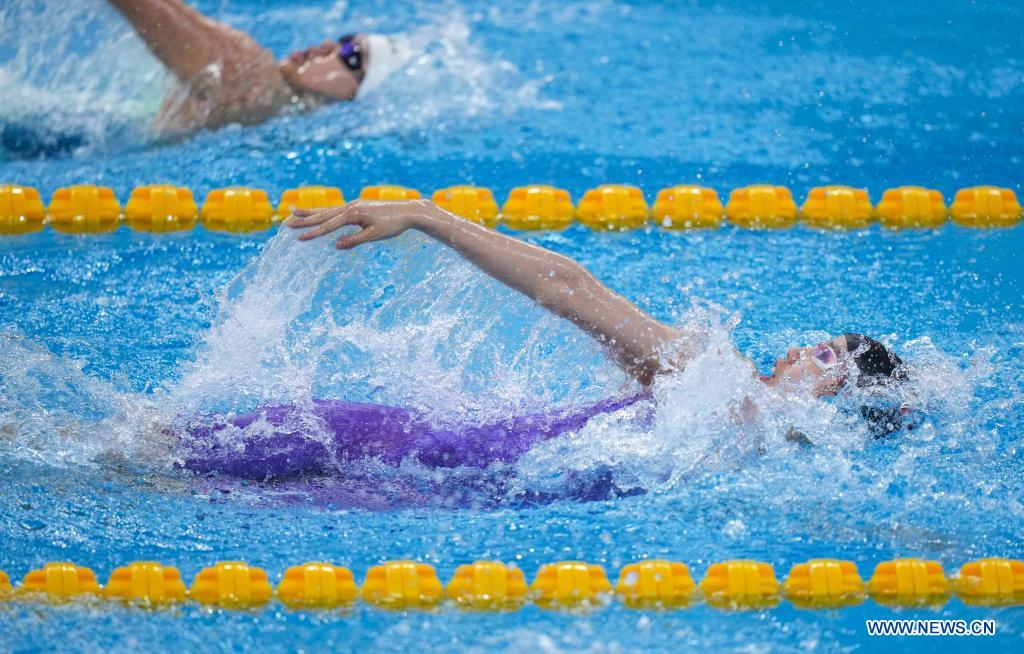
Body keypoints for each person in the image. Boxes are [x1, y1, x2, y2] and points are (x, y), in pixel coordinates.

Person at [181, 199, 910, 490]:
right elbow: (569, 290)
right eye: (815, 344)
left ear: (839, 402)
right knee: (134, 460)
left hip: (413, 490)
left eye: (825, 359)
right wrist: (427, 216)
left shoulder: (752, 446)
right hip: (382, 449)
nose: (796, 353)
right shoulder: (708, 379)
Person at [106, 0, 404, 133]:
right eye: (344, 40)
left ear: (354, 95)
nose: (328, 45)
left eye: (351, 55)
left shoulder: (253, 78)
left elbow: (148, 10)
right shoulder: (262, 85)